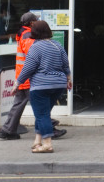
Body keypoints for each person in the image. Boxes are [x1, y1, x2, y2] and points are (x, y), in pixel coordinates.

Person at [0, 13, 65, 141]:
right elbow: (34, 57)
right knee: (41, 107)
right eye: (36, 20)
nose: (38, 21)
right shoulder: (29, 36)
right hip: (30, 78)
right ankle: (50, 130)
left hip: (23, 76)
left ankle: (7, 130)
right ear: (31, 23)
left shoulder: (23, 34)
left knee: (19, 105)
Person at [16, 19, 72, 153]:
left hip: (41, 85)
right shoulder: (57, 45)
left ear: (34, 33)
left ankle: (47, 144)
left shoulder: (35, 47)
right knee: (43, 113)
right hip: (58, 85)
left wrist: (17, 83)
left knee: (41, 114)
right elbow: (65, 64)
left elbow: (28, 68)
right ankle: (37, 140)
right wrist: (69, 79)